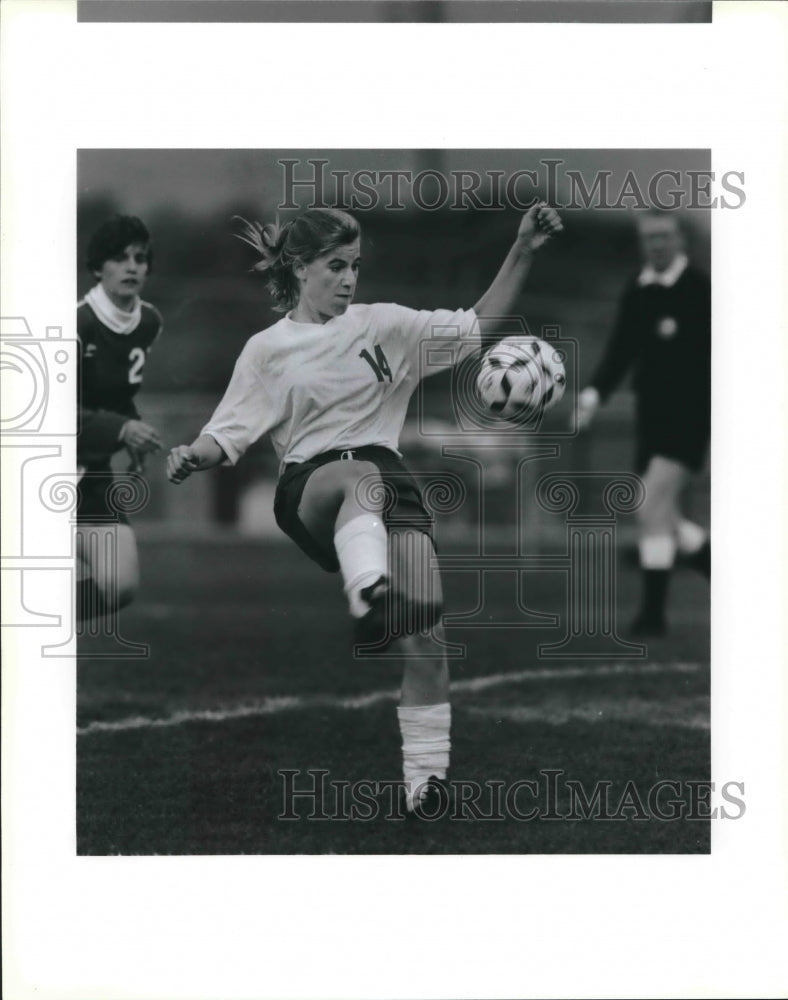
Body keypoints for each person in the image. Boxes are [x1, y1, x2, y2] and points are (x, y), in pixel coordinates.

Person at [166, 203, 563, 816]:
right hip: (312, 488)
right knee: (361, 478)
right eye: (335, 265)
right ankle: (368, 595)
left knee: (427, 632)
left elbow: (479, 325)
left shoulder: (386, 325)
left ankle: (425, 782)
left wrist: (525, 249)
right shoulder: (267, 349)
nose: (349, 278)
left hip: (390, 484)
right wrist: (194, 452)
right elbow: (229, 432)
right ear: (298, 268)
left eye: (355, 265)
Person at [576, 209, 711, 636]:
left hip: (689, 419)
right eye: (650, 238)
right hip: (650, 419)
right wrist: (594, 394)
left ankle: (653, 616)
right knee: (664, 517)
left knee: (649, 506)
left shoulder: (700, 290)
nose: (657, 245)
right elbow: (620, 349)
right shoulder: (638, 290)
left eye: (664, 237)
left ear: (680, 240)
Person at [76, 215, 163, 622]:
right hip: (37, 478)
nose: (132, 266)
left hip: (91, 476)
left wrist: (131, 431)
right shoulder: (75, 324)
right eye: (119, 258)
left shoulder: (147, 322)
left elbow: (118, 397)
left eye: (140, 258)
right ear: (97, 267)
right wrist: (120, 428)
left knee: (120, 583)